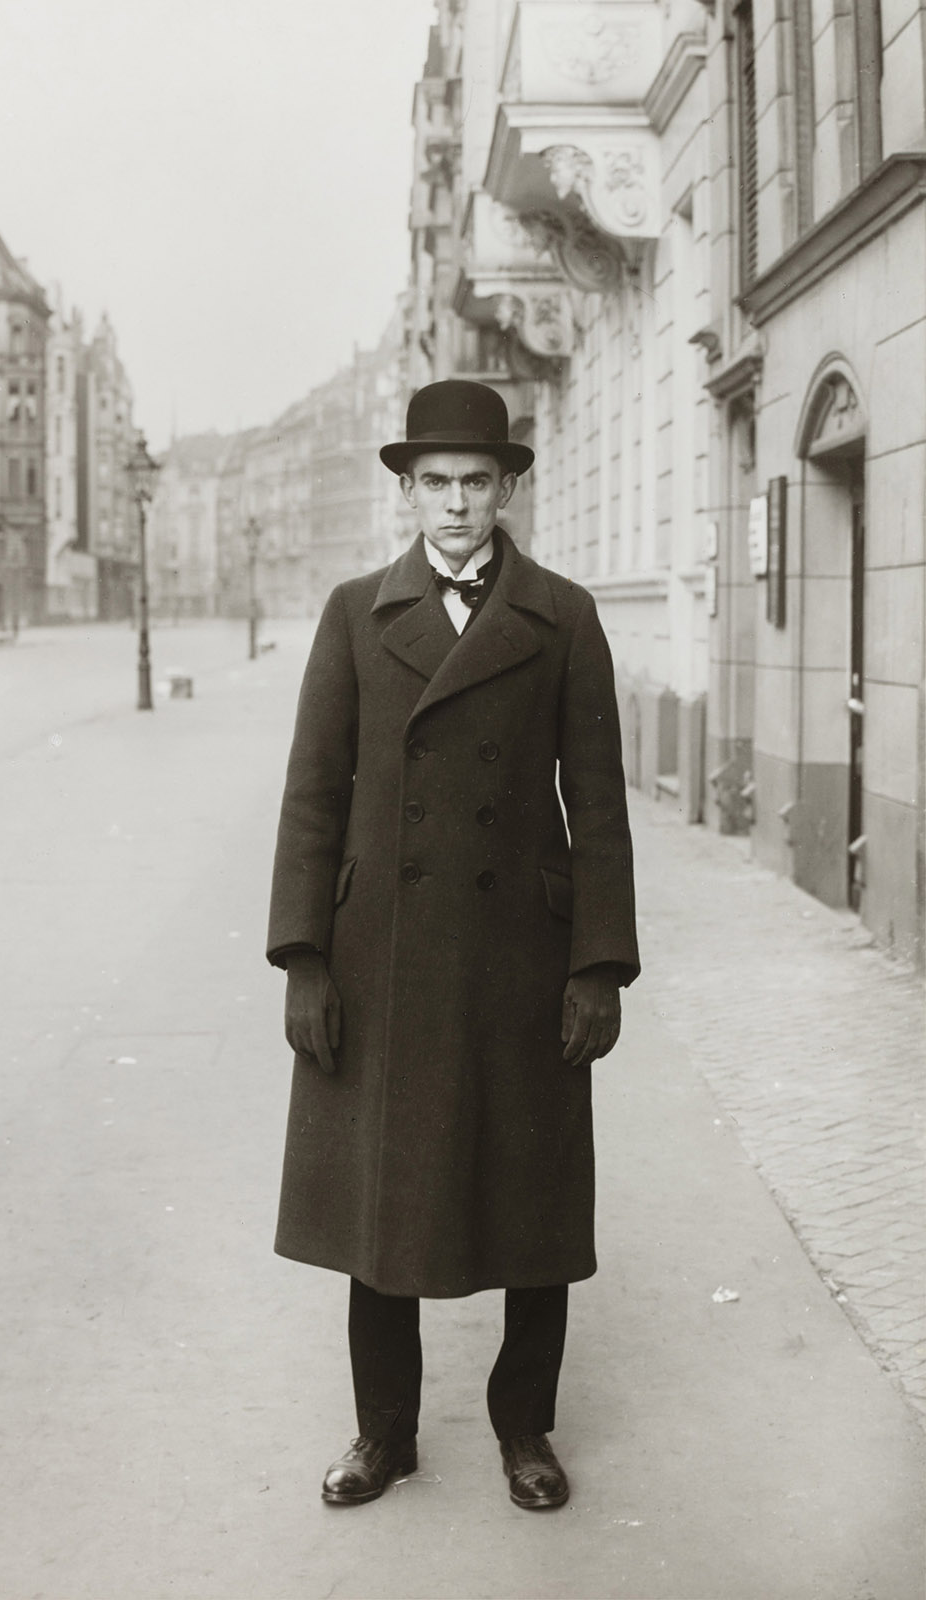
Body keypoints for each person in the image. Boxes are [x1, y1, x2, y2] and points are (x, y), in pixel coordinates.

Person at [267, 379, 639, 1510]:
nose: (456, 504)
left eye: (476, 481)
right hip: (382, 954)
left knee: (529, 1200)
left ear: (507, 487)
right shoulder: (353, 612)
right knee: (381, 1202)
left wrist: (596, 964)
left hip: (517, 958)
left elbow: (602, 804)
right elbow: (310, 795)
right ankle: (385, 1434)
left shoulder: (564, 614)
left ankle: (524, 1426)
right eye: (434, 483)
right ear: (406, 490)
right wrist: (303, 957)